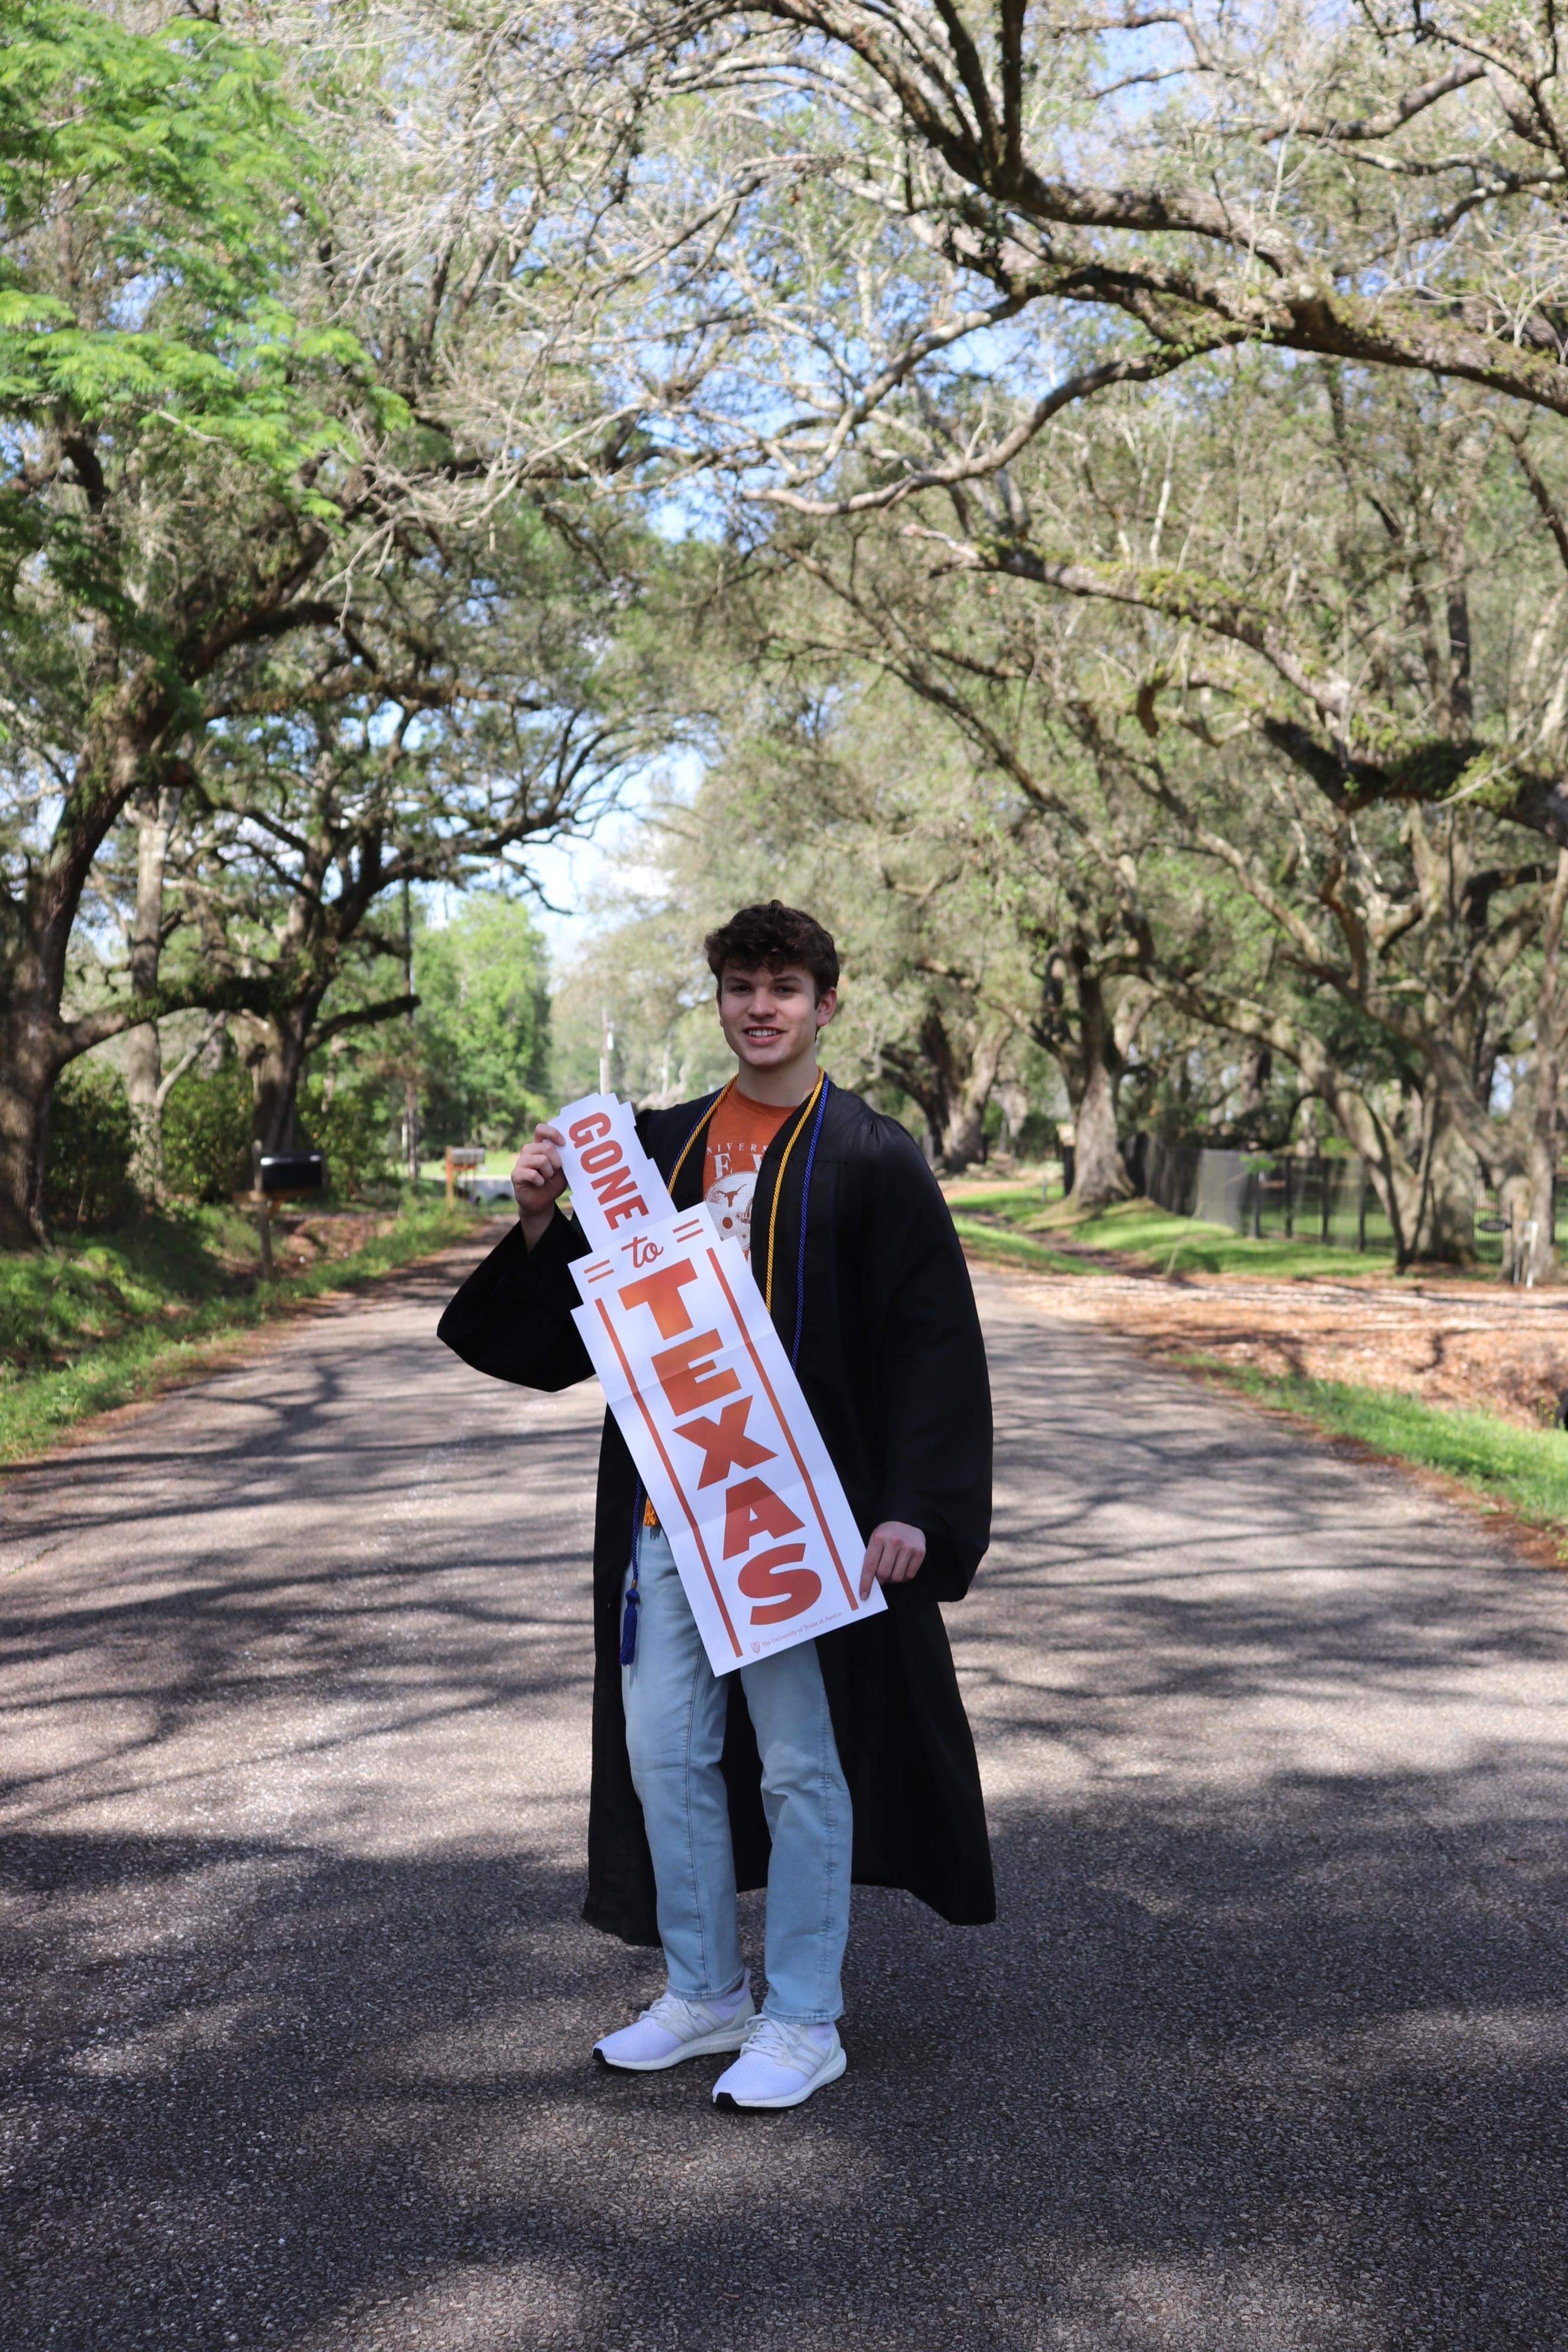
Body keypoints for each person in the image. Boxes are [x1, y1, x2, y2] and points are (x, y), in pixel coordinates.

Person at [437, 901, 994, 2111]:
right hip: (664, 1518)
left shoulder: (871, 1155)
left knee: (801, 1765)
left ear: (825, 1004)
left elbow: (930, 1345)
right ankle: (703, 1992)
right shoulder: (656, 1147)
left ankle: (804, 2018)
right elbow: (580, 1324)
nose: (759, 1007)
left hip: (793, 1522)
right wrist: (539, 1215)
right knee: (662, 1755)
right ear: (720, 999)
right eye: (740, 985)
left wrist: (912, 1505)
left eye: (784, 987)